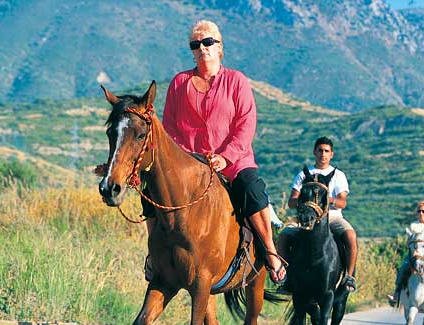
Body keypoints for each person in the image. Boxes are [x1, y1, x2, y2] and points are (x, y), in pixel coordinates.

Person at [142, 19, 286, 284]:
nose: (202, 48)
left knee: (252, 189)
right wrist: (188, 159)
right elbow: (170, 129)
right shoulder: (178, 83)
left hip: (234, 162)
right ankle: (153, 257)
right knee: (150, 189)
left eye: (208, 42)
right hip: (191, 165)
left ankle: (270, 251)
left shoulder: (236, 81)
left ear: (220, 48)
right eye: (195, 44)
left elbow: (246, 123)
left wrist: (226, 156)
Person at [277, 136, 358, 292]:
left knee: (351, 236)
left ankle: (349, 275)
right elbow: (292, 201)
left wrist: (327, 199)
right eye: (320, 150)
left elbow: (343, 202)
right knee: (284, 236)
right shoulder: (303, 175)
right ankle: (286, 277)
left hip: (332, 216)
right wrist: (304, 201)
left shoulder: (338, 175)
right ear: (314, 152)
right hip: (306, 217)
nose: (323, 154)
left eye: (326, 151)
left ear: (331, 154)